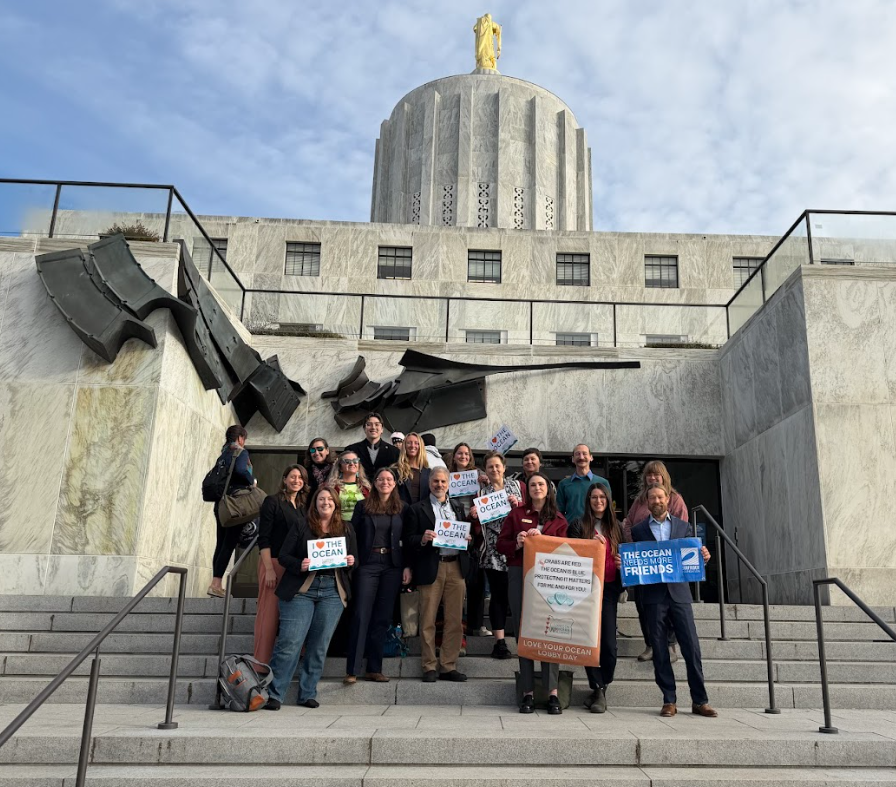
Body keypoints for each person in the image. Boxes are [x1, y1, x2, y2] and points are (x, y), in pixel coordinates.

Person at [264, 487, 358, 710]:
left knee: (318, 646)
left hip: (332, 593)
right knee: (289, 643)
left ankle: (307, 693)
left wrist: (351, 561)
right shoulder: (301, 525)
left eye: (329, 499)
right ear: (315, 503)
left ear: (336, 504)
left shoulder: (346, 528)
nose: (325, 502)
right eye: (321, 499)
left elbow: (354, 561)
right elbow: (285, 556)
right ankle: (274, 694)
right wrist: (300, 564)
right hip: (301, 591)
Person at [629, 484, 716, 718]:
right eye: (652, 498)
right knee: (659, 649)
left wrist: (703, 558)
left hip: (679, 595)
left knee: (691, 648)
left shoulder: (684, 526)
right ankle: (669, 700)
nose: (656, 501)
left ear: (667, 499)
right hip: (653, 597)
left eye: (660, 497)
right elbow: (636, 563)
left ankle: (700, 700)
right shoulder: (638, 531)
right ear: (646, 502)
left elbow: (691, 559)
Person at [497, 472, 568, 714]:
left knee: (549, 633)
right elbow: (500, 544)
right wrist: (516, 542)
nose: (537, 488)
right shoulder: (516, 514)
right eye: (533, 484)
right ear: (527, 490)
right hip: (520, 574)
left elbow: (566, 551)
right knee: (523, 631)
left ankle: (552, 693)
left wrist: (544, 540)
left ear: (548, 489)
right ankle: (527, 692)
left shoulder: (559, 519)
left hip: (549, 580)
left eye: (541, 484)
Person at [404, 467, 470, 683]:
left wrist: (466, 539)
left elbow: (466, 534)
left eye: (443, 481)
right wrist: (422, 538)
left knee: (454, 620)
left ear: (448, 484)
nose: (439, 485)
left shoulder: (458, 508)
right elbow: (408, 540)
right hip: (431, 566)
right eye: (435, 481)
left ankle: (448, 665)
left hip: (455, 567)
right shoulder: (416, 509)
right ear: (429, 483)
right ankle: (429, 665)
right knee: (428, 619)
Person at [345, 467, 409, 684]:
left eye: (389, 479)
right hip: (368, 565)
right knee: (361, 614)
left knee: (382, 618)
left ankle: (374, 668)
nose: (385, 482)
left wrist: (407, 567)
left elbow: (407, 539)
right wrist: (352, 559)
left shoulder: (402, 508)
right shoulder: (362, 506)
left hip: (392, 566)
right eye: (381, 478)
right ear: (375, 483)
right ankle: (352, 669)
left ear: (394, 483)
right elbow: (351, 535)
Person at [623, 461, 689, 663]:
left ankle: (669, 646)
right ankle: (650, 644)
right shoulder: (640, 500)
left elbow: (683, 529)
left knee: (669, 605)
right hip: (644, 564)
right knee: (643, 606)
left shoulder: (675, 499)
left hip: (669, 564)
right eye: (649, 475)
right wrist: (632, 546)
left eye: (656, 475)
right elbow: (628, 524)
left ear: (664, 477)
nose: (652, 478)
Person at [568, 482, 623, 713]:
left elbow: (627, 556)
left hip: (609, 589)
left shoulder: (618, 527)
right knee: (589, 641)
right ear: (588, 501)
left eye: (602, 497)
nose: (598, 501)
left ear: (608, 500)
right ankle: (598, 688)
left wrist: (624, 565)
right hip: (585, 590)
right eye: (593, 497)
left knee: (609, 645)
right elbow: (570, 553)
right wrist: (588, 546)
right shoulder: (578, 525)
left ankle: (603, 685)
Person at [254, 464, 308, 666]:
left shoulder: (303, 507)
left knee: (295, 612)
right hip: (274, 563)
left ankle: (291, 660)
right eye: (292, 477)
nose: (296, 480)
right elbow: (264, 538)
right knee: (269, 614)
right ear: (284, 479)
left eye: (300, 478)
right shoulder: (272, 501)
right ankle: (260, 662)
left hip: (294, 565)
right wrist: (268, 569)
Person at [470, 451, 521, 660]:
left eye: (497, 466)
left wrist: (518, 504)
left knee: (517, 597)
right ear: (486, 470)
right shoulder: (482, 493)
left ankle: (523, 640)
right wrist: (474, 515)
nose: (494, 470)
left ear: (504, 467)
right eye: (490, 467)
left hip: (517, 549)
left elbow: (530, 511)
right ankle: (499, 642)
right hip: (493, 551)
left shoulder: (518, 487)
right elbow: (477, 526)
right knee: (499, 597)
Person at [448, 443, 490, 637]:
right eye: (460, 453)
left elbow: (490, 499)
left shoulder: (479, 475)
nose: (463, 456)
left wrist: (486, 482)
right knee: (455, 582)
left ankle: (476, 623)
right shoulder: (447, 475)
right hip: (454, 530)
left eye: (466, 453)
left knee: (476, 580)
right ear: (454, 456)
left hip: (475, 531)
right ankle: (457, 624)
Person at [208, 425, 255, 598]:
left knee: (220, 543)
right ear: (241, 437)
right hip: (234, 505)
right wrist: (252, 481)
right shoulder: (240, 452)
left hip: (220, 504)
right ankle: (216, 584)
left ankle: (216, 583)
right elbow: (241, 470)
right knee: (228, 544)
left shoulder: (223, 453)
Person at [556, 444, 610, 525]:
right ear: (573, 459)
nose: (581, 457)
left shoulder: (603, 483)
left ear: (591, 457)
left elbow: (608, 510)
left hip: (596, 530)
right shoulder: (564, 484)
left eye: (584, 453)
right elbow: (559, 512)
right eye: (578, 454)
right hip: (570, 532)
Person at [345, 412, 400, 478]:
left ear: (382, 429)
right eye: (369, 424)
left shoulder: (394, 452)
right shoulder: (351, 450)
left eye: (377, 424)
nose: (373, 427)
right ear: (364, 429)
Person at [327, 450, 371, 520]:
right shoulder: (332, 487)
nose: (351, 463)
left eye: (355, 461)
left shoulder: (366, 488)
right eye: (347, 461)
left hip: (361, 526)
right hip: (340, 526)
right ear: (340, 467)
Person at [394, 432, 431, 505]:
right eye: (409, 443)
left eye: (416, 443)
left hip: (421, 513)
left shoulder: (428, 472)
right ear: (404, 446)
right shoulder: (396, 470)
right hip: (402, 512)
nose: (412, 446)